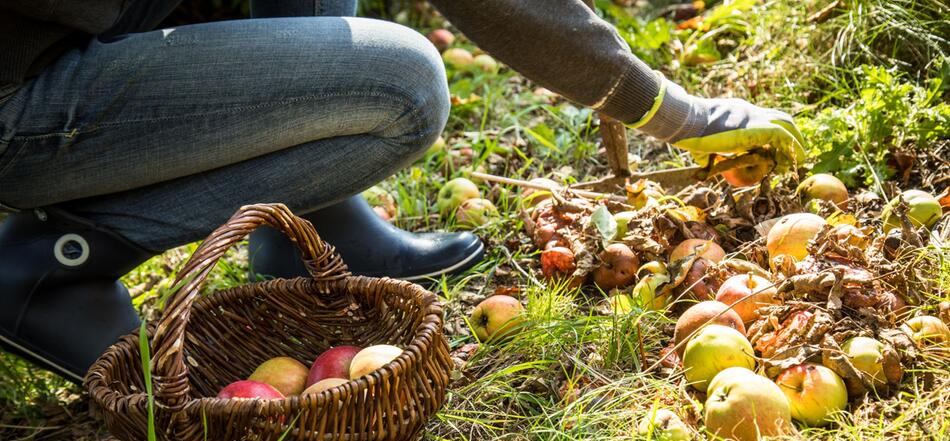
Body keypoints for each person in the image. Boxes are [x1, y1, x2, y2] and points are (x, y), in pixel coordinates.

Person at [0, 0, 804, 382]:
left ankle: (306, 219)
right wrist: (670, 110)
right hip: (17, 95)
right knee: (404, 87)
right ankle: (55, 264)